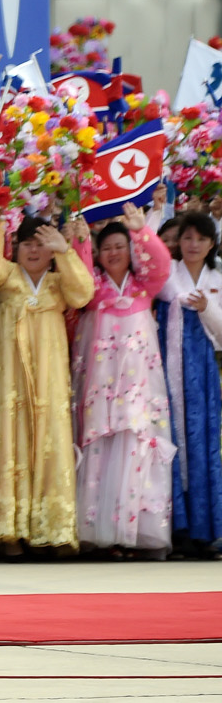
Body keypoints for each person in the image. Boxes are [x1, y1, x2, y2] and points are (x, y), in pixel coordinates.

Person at [0, 216, 93, 554]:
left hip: (48, 378)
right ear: (15, 247)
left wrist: (66, 252)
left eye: (40, 243)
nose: (34, 250)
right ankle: (8, 531)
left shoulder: (57, 282)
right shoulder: (5, 277)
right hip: (7, 382)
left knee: (49, 440)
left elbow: (83, 293)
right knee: (7, 439)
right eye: (26, 243)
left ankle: (50, 529)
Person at [71, 205, 174, 554]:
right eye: (106, 248)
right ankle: (96, 533)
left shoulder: (145, 287)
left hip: (138, 390)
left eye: (120, 246)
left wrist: (141, 231)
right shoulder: (94, 291)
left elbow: (161, 265)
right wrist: (82, 241)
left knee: (136, 447)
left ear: (131, 252)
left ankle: (136, 534)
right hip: (99, 390)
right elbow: (79, 281)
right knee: (99, 449)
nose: (113, 253)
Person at [158, 212, 222, 552]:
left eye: (200, 239)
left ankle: (204, 529)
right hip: (167, 367)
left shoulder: (216, 278)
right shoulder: (168, 274)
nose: (193, 244)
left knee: (202, 443)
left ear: (211, 243)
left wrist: (206, 308)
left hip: (203, 372)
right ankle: (174, 530)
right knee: (170, 439)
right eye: (187, 238)